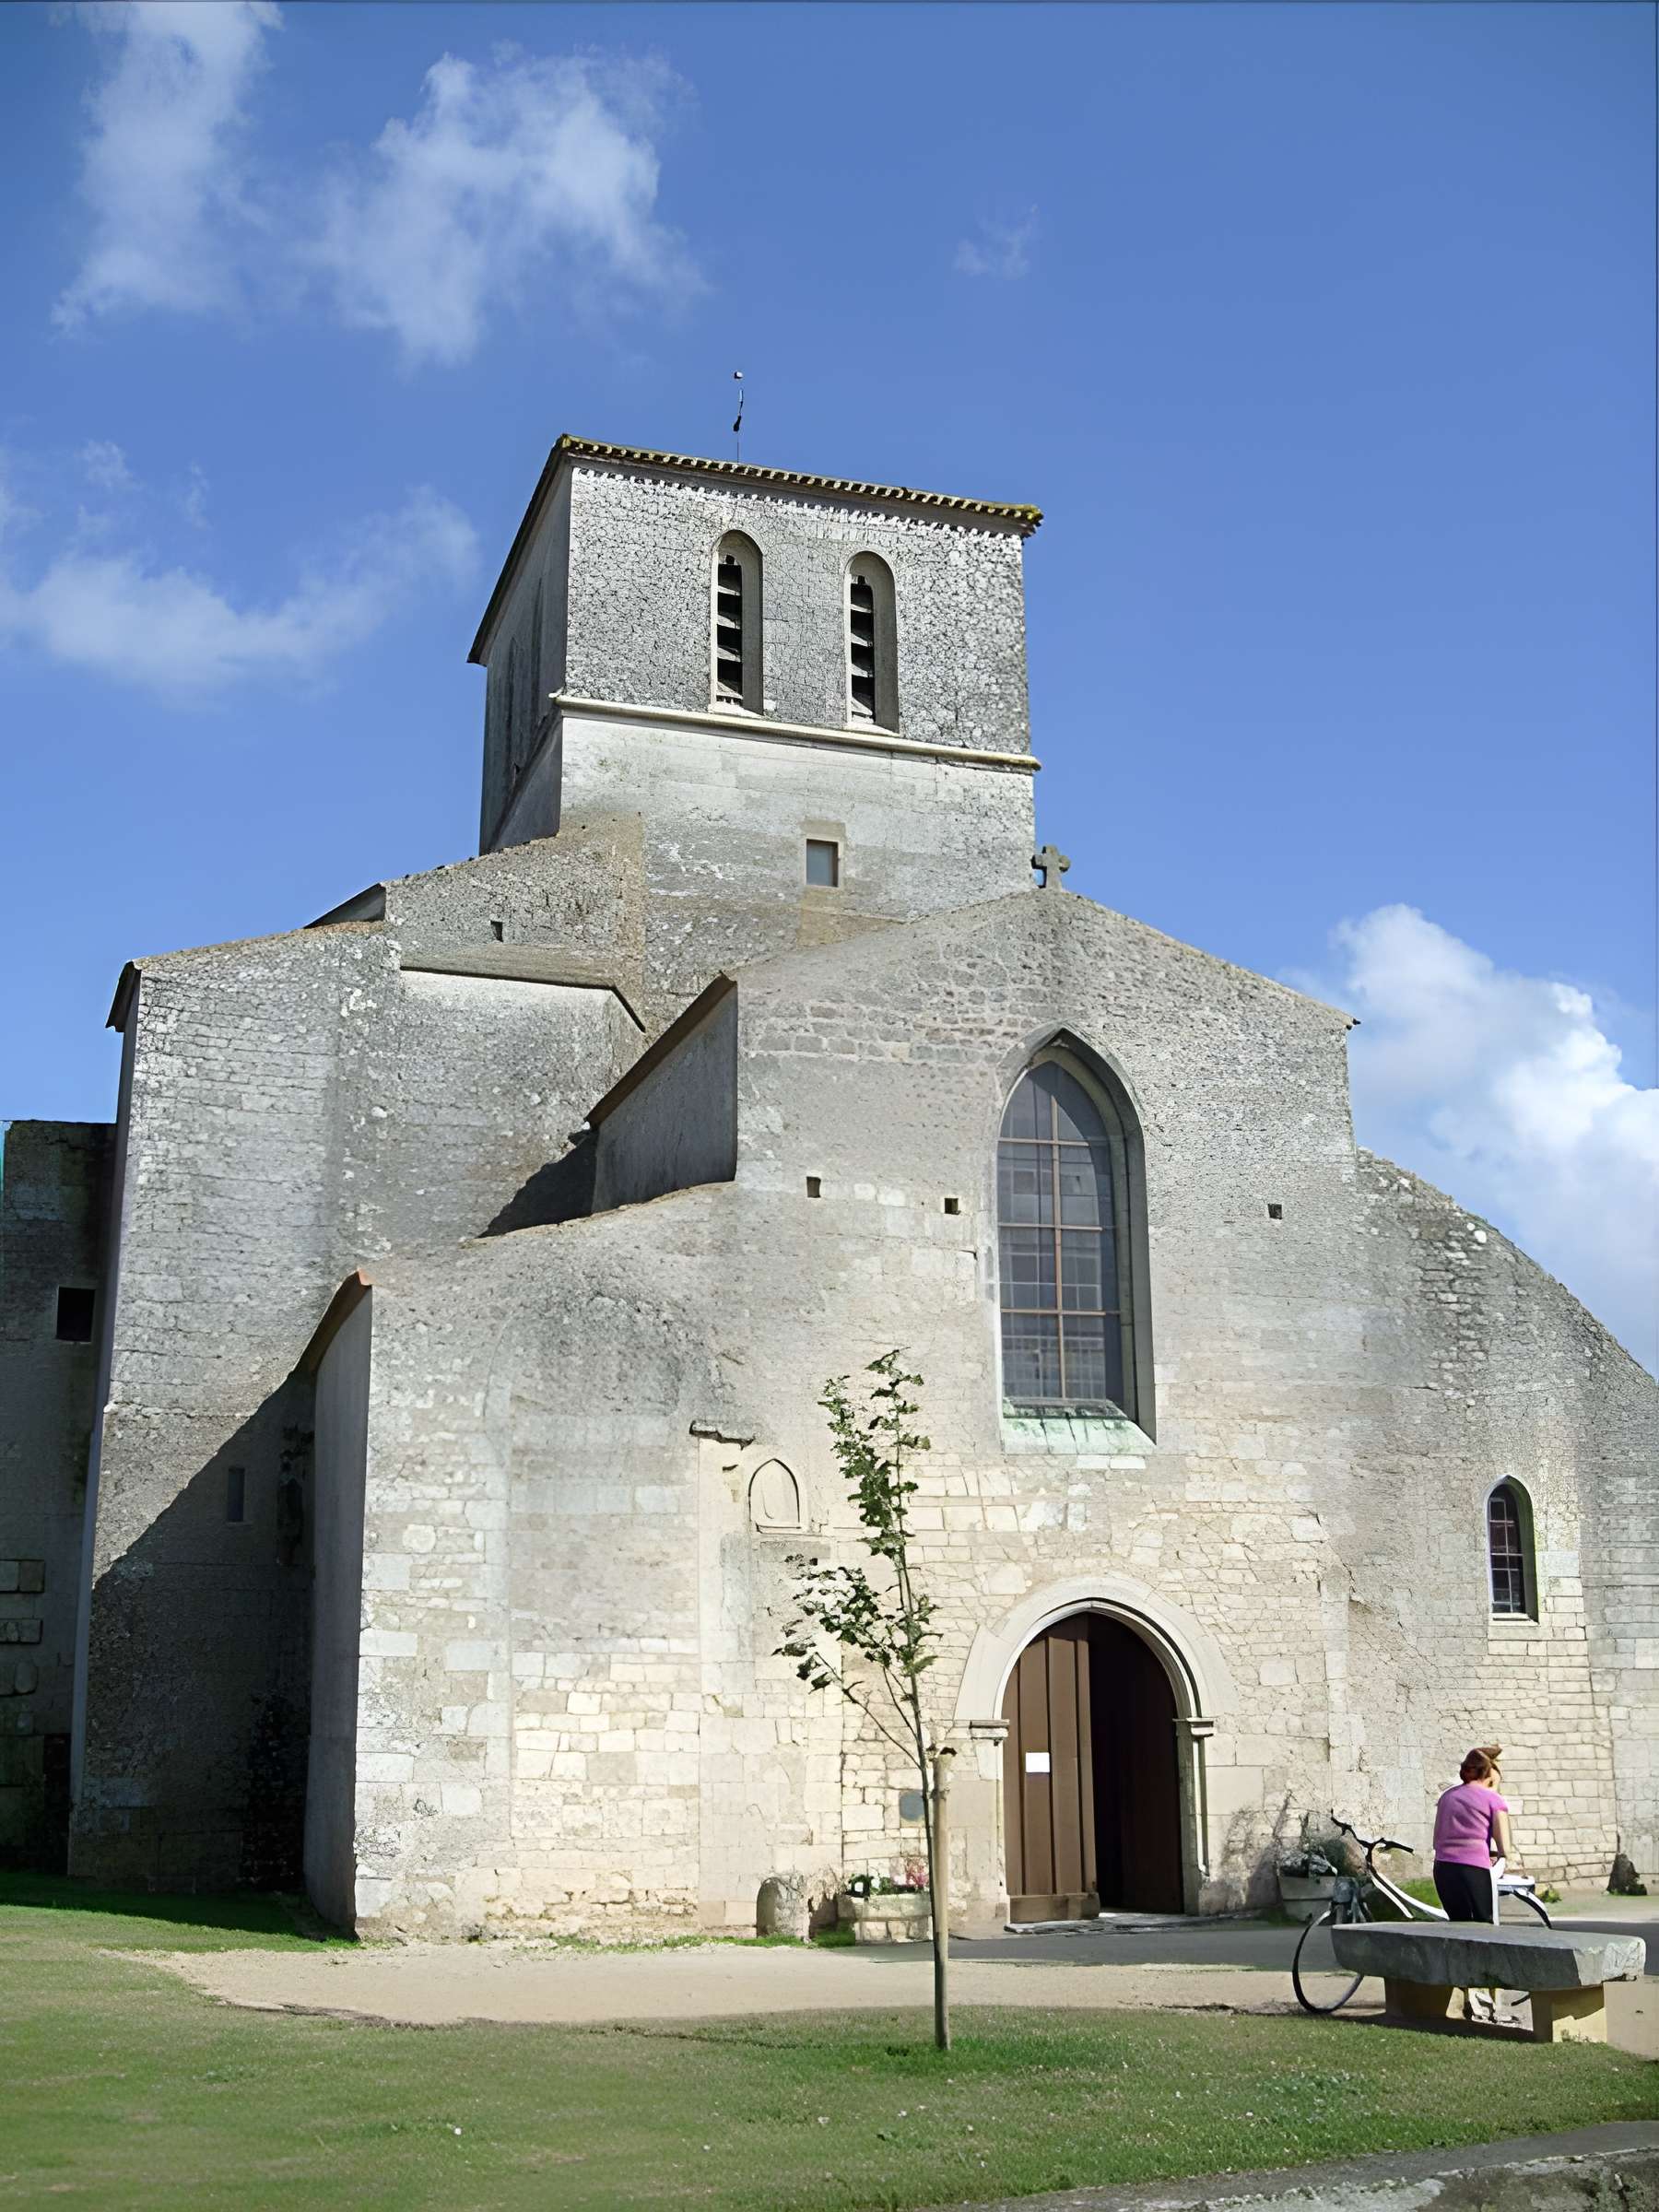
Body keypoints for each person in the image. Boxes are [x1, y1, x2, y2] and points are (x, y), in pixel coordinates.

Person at [1432, 1745, 1520, 2023]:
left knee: (1459, 1930)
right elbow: (1505, 1845)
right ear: (1490, 1772)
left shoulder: (1447, 1797)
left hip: (1444, 1868)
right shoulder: (1494, 1800)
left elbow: (1438, 1839)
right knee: (1484, 1933)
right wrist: (1501, 1855)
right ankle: (1488, 2001)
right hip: (1473, 1869)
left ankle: (1462, 1995)